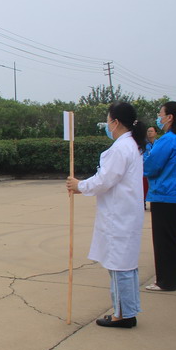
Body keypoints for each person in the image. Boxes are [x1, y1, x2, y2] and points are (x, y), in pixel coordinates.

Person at [65, 102, 145, 328]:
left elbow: (104, 180)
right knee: (125, 265)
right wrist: (82, 187)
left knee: (119, 265)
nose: (107, 125)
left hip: (119, 216)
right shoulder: (130, 145)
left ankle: (123, 314)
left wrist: (80, 185)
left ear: (116, 122)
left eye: (108, 120)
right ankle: (127, 310)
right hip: (125, 213)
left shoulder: (121, 148)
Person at [144, 101, 176, 291]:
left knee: (163, 241)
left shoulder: (168, 140)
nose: (159, 117)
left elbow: (151, 166)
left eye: (160, 114)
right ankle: (174, 279)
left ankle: (165, 281)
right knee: (174, 239)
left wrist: (144, 158)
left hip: (164, 194)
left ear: (169, 117)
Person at [143, 126, 158, 209]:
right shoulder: (143, 144)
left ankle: (154, 202)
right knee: (144, 186)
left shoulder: (158, 143)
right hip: (145, 167)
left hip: (156, 167)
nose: (149, 133)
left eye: (151, 131)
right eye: (148, 131)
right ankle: (143, 202)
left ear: (156, 133)